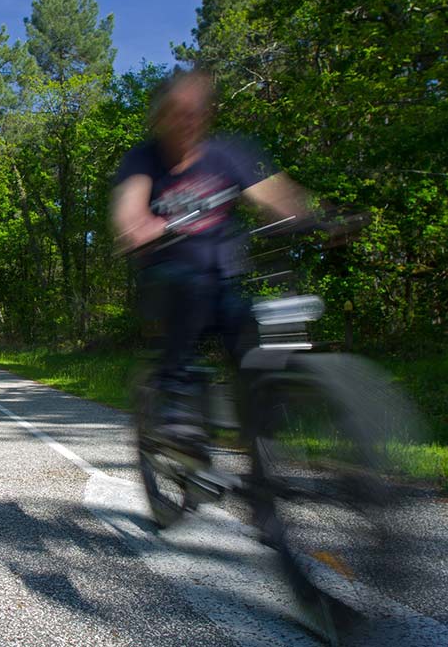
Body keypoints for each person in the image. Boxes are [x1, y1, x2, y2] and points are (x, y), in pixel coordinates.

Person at [113, 69, 308, 441]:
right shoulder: (144, 160)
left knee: (250, 325)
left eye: (197, 110)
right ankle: (175, 395)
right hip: (166, 276)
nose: (189, 118)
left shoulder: (225, 155)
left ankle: (260, 436)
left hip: (223, 278)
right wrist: (139, 227)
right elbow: (129, 208)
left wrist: (314, 217)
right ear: (160, 117)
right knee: (191, 286)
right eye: (178, 111)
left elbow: (272, 194)